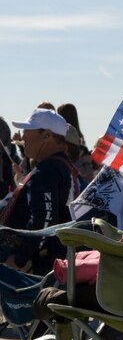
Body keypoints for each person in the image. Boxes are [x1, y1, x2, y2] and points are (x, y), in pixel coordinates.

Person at [0, 108, 79, 276]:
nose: (22, 137)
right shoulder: (60, 165)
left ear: (47, 136)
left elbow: (44, 220)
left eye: (28, 131)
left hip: (31, 263)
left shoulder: (47, 170)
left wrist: (21, 258)